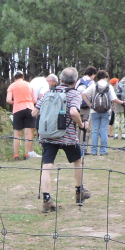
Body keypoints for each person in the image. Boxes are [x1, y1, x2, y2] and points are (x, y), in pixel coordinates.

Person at [32, 67, 91, 212]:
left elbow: (34, 112)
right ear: (76, 81)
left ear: (61, 79)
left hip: (48, 135)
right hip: (68, 136)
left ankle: (46, 199)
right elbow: (73, 112)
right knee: (78, 161)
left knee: (47, 165)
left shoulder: (48, 93)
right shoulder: (75, 94)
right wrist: (82, 124)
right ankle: (79, 191)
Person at [84, 70, 122, 156]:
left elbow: (83, 94)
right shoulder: (109, 86)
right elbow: (114, 99)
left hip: (94, 110)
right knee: (104, 130)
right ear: (105, 77)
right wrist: (122, 102)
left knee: (95, 131)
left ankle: (93, 151)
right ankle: (103, 151)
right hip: (106, 111)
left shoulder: (93, 85)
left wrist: (89, 104)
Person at [6, 72, 39, 161]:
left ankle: (16, 155)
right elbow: (35, 100)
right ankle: (26, 154)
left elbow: (8, 100)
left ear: (14, 77)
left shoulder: (12, 86)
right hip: (30, 109)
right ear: (23, 77)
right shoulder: (29, 85)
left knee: (17, 134)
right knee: (28, 133)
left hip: (18, 109)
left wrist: (15, 102)